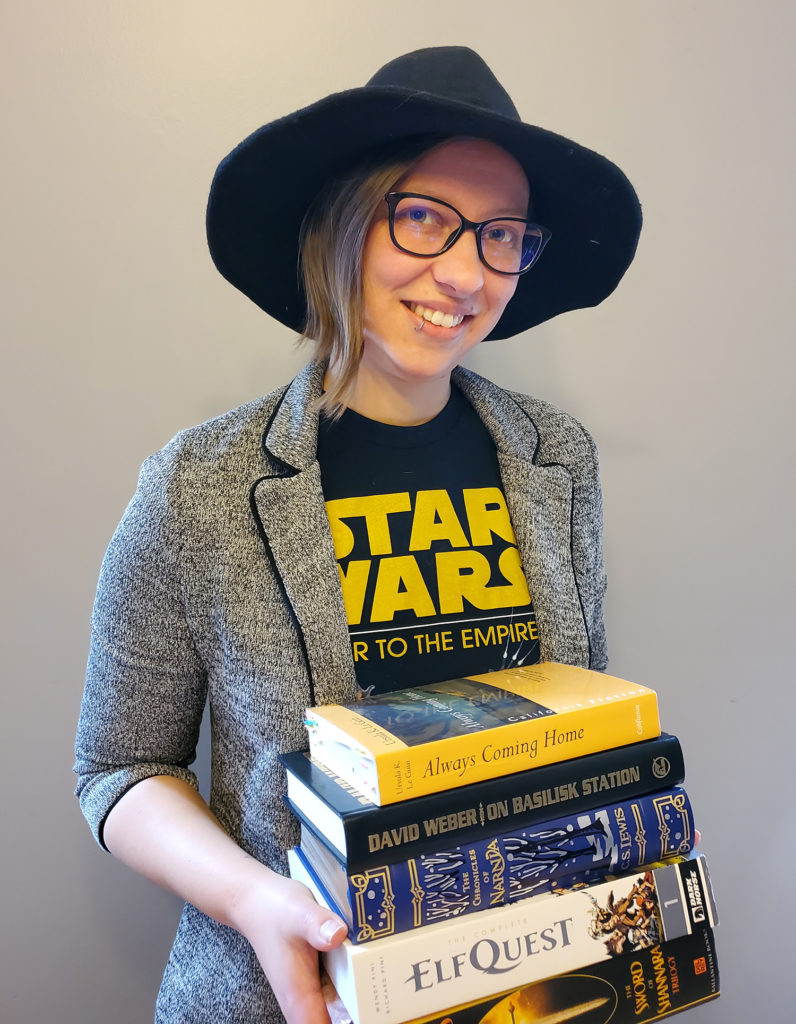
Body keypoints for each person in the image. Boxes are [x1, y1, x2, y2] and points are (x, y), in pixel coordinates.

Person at [74, 47, 641, 1024]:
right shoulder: (200, 485)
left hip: (526, 985)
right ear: (345, 224)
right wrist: (257, 902)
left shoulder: (558, 460)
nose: (464, 273)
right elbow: (118, 769)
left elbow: (572, 727)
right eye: (424, 217)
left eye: (502, 235)